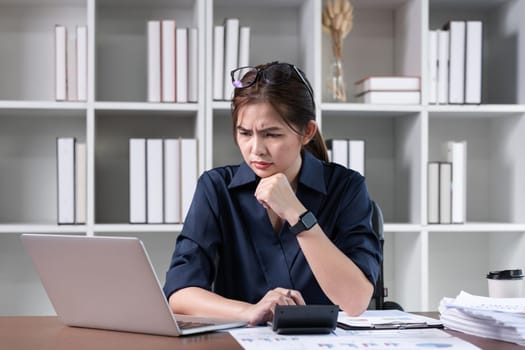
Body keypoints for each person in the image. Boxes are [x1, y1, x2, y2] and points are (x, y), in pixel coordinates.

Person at [163, 61, 382, 326]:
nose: (256, 149)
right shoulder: (216, 188)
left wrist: (296, 212)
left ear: (307, 132)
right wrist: (250, 311)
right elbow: (179, 293)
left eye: (272, 135)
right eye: (244, 133)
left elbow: (356, 301)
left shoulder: (346, 187)